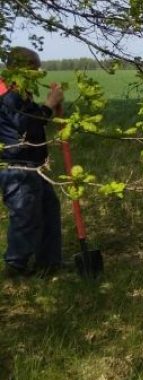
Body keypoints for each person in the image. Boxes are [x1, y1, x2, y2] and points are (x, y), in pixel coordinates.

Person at [0, 47, 64, 278]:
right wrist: (48, 104)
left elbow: (34, 116)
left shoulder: (21, 94)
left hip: (34, 167)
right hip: (18, 168)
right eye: (35, 70)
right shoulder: (9, 95)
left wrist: (49, 108)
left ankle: (49, 263)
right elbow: (25, 126)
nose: (39, 74)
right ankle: (15, 267)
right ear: (21, 71)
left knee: (48, 211)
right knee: (25, 217)